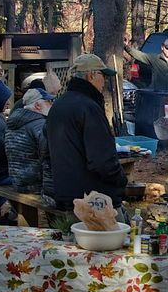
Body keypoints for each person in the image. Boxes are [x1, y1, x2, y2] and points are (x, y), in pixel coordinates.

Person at [47, 54, 128, 208]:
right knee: (120, 231)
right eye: (102, 75)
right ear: (91, 75)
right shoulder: (89, 108)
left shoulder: (58, 105)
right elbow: (102, 162)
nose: (104, 81)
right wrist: (121, 180)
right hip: (93, 199)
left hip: (65, 193)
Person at [125, 37, 168, 136]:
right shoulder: (154, 59)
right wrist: (126, 47)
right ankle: (158, 141)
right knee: (157, 122)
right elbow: (140, 55)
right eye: (167, 48)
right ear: (162, 47)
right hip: (158, 98)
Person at [5, 88, 54, 194]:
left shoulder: (13, 121)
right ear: (37, 106)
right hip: (35, 184)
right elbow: (47, 157)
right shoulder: (40, 124)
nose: (51, 104)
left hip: (16, 181)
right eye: (48, 102)